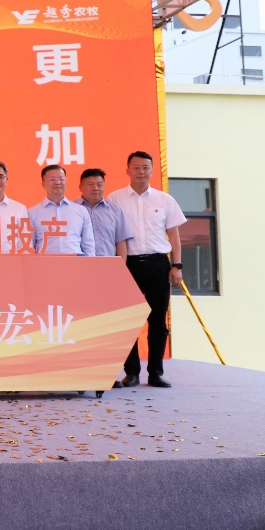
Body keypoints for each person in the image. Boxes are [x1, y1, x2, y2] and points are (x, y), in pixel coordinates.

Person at [108, 151, 186, 388]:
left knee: (158, 320)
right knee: (127, 320)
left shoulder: (165, 200)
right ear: (127, 170)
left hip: (158, 264)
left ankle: (155, 373)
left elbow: (174, 235)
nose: (141, 172)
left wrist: (177, 266)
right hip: (128, 264)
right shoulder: (115, 199)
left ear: (152, 170)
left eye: (145, 167)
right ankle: (131, 372)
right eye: (136, 167)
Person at [28, 165, 95, 256]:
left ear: (66, 182)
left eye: (61, 179)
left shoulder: (81, 211)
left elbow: (89, 245)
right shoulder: (32, 212)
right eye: (52, 179)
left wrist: (90, 263)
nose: (57, 182)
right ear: (43, 184)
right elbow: (28, 245)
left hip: (75, 262)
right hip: (45, 263)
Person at [77, 168, 131, 258]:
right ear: (80, 187)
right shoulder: (72, 209)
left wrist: (121, 265)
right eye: (90, 185)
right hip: (80, 263)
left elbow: (121, 241)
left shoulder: (115, 210)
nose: (95, 188)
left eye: (99, 185)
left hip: (108, 263)